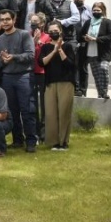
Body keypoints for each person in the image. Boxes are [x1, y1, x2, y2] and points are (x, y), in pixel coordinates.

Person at [0, 9, 37, 152]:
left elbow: (30, 55)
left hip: (23, 76)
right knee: (12, 111)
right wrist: (4, 61)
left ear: (14, 19)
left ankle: (31, 141)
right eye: (2, 20)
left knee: (27, 110)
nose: (5, 22)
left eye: (7, 19)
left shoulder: (24, 35)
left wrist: (13, 57)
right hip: (7, 77)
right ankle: (18, 139)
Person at [40, 20, 76, 150]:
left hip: (66, 82)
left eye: (55, 30)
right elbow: (42, 63)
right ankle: (54, 142)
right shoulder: (45, 47)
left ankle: (63, 142)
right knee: (51, 113)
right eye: (50, 31)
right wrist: (54, 51)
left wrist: (60, 49)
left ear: (60, 31)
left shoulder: (68, 46)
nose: (53, 33)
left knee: (64, 112)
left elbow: (71, 65)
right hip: (50, 83)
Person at [77, 2, 111, 100]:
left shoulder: (107, 22)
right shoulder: (88, 22)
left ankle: (104, 91)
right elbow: (80, 35)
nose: (96, 12)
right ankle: (100, 94)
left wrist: (95, 39)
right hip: (91, 51)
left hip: (104, 52)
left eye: (98, 10)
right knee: (96, 74)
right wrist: (85, 38)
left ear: (103, 11)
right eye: (94, 10)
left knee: (104, 69)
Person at [29, 12, 50, 143]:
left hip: (42, 74)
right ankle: (35, 132)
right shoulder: (27, 36)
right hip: (30, 73)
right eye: (31, 21)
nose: (33, 24)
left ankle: (44, 132)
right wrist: (33, 42)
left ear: (42, 23)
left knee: (44, 104)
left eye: (36, 21)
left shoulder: (47, 37)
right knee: (33, 105)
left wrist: (40, 43)